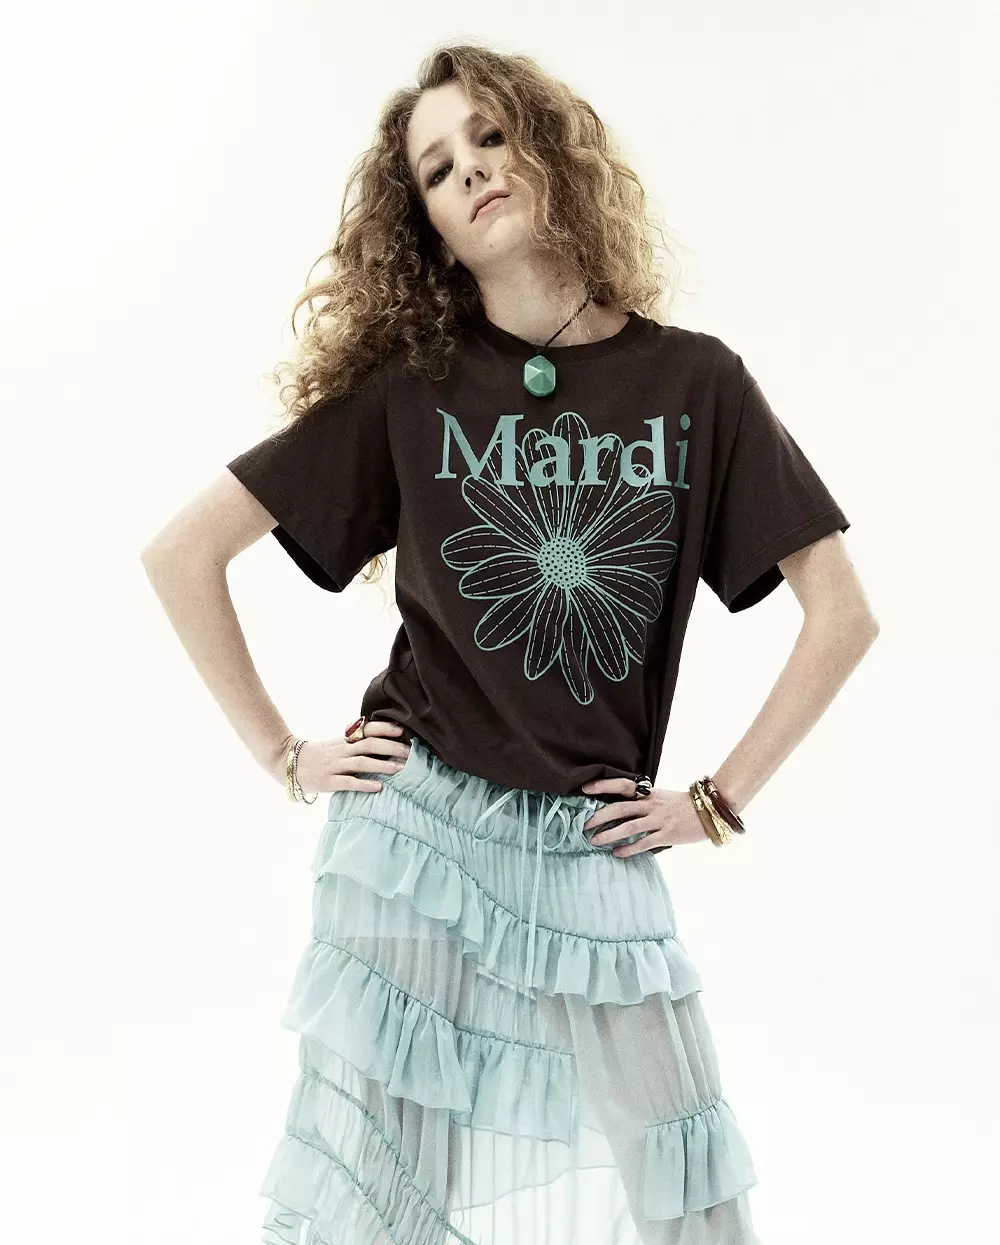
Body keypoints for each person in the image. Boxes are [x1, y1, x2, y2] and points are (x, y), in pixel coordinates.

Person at [140, 41, 879, 1245]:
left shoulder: (694, 384)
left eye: (489, 137)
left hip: (593, 835)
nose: (472, 170)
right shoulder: (410, 390)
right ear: (429, 229)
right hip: (414, 832)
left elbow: (841, 614)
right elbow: (183, 555)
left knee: (689, 1185)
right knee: (381, 1191)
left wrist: (714, 803)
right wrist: (284, 755)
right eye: (438, 169)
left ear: (549, 152)